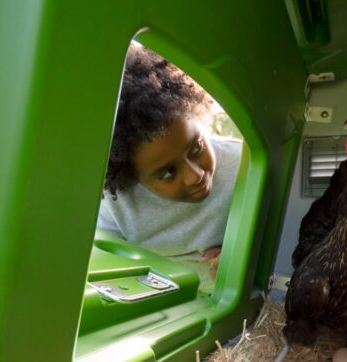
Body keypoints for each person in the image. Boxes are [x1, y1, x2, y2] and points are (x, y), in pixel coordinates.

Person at [97, 44, 242, 280]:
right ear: (131, 177)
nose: (195, 175)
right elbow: (111, 270)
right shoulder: (116, 209)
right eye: (167, 173)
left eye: (196, 149)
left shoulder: (245, 167)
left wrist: (244, 252)